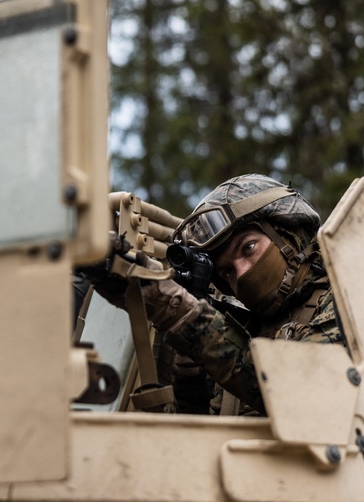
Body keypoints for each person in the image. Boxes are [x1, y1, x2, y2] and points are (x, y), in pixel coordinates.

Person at [94, 174, 343, 415]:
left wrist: (180, 312)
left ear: (289, 232)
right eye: (226, 272)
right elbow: (189, 445)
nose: (242, 274)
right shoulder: (243, 331)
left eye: (248, 248)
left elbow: (303, 397)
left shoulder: (349, 297)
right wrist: (190, 380)